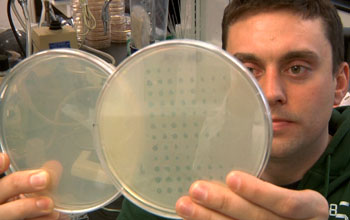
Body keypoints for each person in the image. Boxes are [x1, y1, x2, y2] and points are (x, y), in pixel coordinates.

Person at [0, 0, 349, 220]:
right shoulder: (168, 171)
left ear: (339, 84)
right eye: (248, 70)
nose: (271, 92)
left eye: (297, 68)